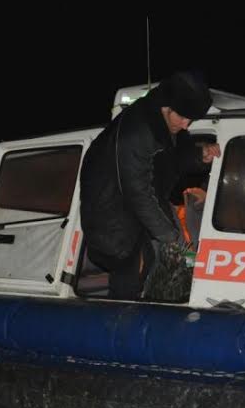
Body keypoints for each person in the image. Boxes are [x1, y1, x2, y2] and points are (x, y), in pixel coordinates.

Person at [79, 71, 220, 300]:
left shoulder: (166, 123)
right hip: (112, 213)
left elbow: (172, 157)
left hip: (138, 208)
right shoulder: (136, 131)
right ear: (167, 106)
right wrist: (170, 237)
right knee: (131, 273)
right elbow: (138, 192)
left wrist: (200, 155)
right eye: (184, 118)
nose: (186, 125)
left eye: (191, 120)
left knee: (151, 262)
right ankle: (123, 324)